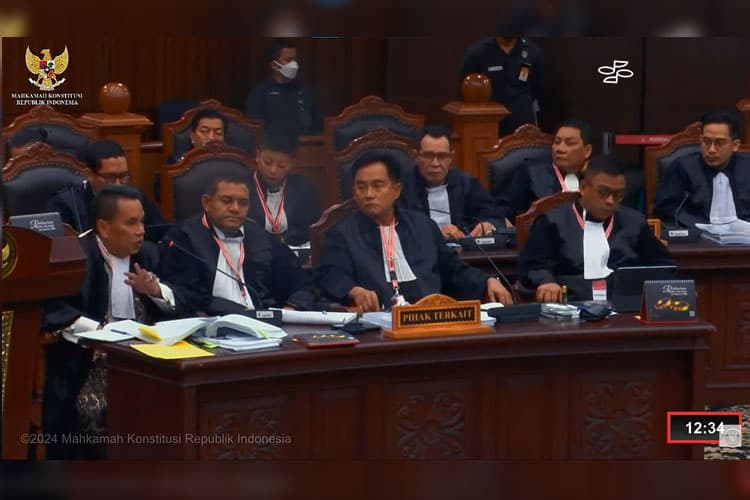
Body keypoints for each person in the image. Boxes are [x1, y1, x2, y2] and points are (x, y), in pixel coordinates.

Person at [42, 185, 176, 459]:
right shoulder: (74, 256)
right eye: (131, 223)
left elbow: (182, 299)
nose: (141, 231)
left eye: (142, 222)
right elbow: (54, 311)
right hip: (89, 363)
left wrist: (155, 291)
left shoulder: (149, 254)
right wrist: (100, 334)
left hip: (148, 360)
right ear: (104, 227)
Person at [315, 151, 513, 312]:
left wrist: (487, 281)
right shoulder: (341, 234)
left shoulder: (423, 226)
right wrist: (355, 291)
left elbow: (453, 269)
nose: (369, 194)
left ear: (396, 190)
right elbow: (331, 274)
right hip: (377, 322)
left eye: (377, 186)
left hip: (430, 317)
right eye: (361, 187)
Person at [518, 155, 673, 303]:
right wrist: (546, 282)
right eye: (603, 192)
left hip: (624, 306)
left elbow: (661, 265)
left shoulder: (634, 223)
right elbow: (535, 265)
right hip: (569, 304)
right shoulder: (552, 221)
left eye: (618, 194)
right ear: (583, 187)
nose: (610, 201)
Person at [159, 173, 315, 317]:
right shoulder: (183, 240)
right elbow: (187, 296)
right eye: (226, 201)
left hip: (263, 321)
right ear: (206, 202)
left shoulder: (259, 236)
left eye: (243, 203)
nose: (235, 209)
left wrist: (293, 307)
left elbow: (301, 280)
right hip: (211, 322)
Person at [399, 126, 506, 239]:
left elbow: (495, 216)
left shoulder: (466, 184)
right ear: (416, 156)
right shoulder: (401, 188)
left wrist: (488, 224)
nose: (435, 163)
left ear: (451, 157)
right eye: (428, 156)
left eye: (442, 156)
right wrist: (436, 233)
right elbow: (396, 229)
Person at [653, 110, 750, 227]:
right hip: (698, 234)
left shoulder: (747, 167)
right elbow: (667, 208)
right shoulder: (683, 168)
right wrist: (702, 226)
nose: (711, 150)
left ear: (735, 145)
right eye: (706, 142)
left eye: (719, 143)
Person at [46, 139, 165, 233]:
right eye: (110, 178)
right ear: (89, 174)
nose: (118, 184)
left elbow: (160, 232)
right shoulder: (66, 203)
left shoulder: (137, 197)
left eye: (123, 176)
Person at [495, 119, 593, 224]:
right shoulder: (531, 172)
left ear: (587, 151)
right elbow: (505, 210)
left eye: (569, 143)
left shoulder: (596, 175)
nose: (560, 149)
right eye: (557, 142)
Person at [249, 130, 321, 245]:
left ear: (292, 164)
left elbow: (312, 227)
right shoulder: (242, 186)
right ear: (257, 156)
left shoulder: (303, 187)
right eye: (267, 163)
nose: (273, 170)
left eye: (281, 166)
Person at [461, 36, 543, 135]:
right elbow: (466, 89)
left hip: (523, 127)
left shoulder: (532, 51)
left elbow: (537, 89)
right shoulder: (477, 52)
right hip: (490, 125)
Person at [245, 39, 322, 139]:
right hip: (272, 147)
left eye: (295, 60)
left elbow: (317, 127)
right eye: (288, 60)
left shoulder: (306, 91)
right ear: (274, 65)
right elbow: (255, 131)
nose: (294, 65)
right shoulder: (260, 93)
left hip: (306, 145)